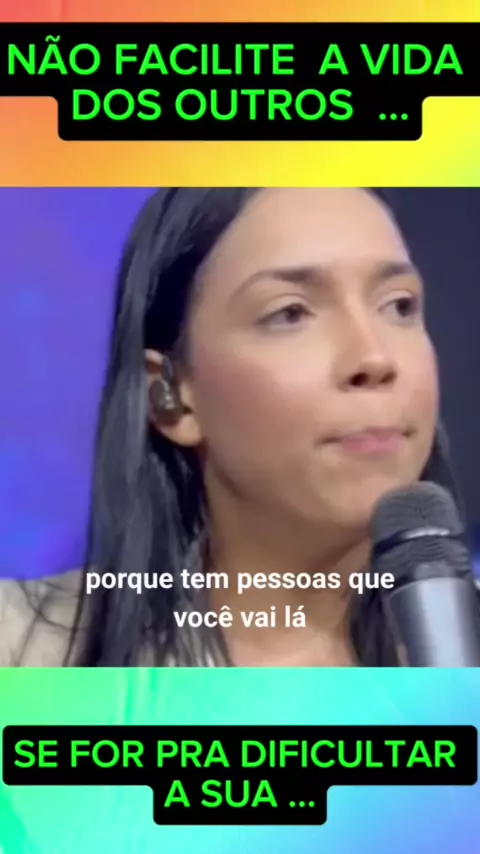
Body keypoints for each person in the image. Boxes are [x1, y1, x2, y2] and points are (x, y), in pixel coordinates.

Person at [0, 187, 472, 668]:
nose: (374, 358)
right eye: (290, 313)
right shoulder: (22, 650)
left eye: (399, 306)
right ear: (170, 397)